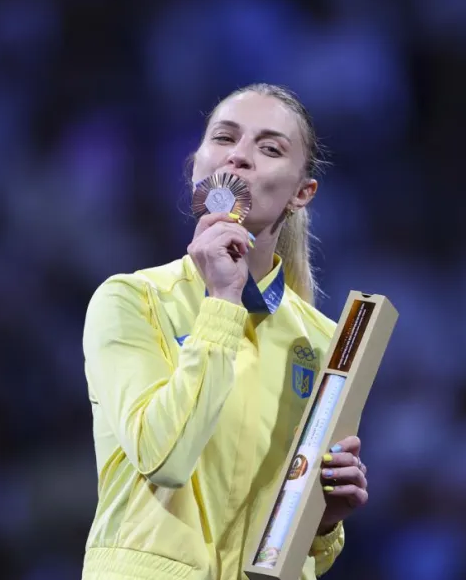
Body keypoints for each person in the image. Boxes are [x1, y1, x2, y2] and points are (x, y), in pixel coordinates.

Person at [81, 83, 370, 579]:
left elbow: (292, 552)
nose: (240, 157)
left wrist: (323, 523)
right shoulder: (131, 300)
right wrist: (222, 301)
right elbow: (164, 456)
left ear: (302, 193)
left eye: (270, 147)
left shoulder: (324, 342)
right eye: (225, 138)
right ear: (197, 166)